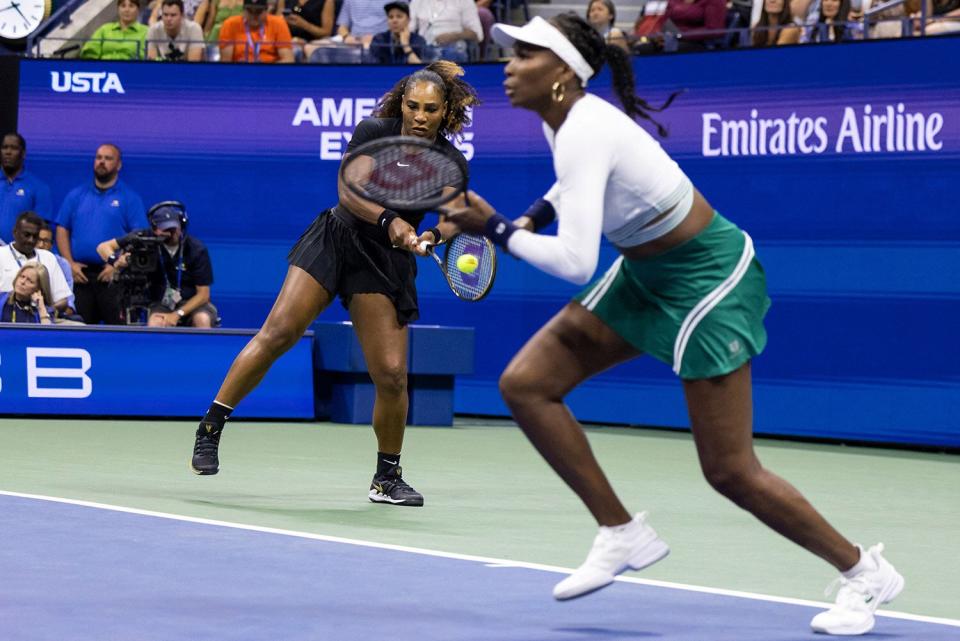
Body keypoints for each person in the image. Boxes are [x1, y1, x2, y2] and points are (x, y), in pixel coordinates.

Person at [445, 14, 903, 636]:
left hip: (709, 280)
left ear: (561, 73)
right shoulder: (570, 120)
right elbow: (575, 183)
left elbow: (577, 263)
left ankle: (862, 571)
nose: (508, 65)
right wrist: (531, 216)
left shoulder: (584, 128)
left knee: (730, 471)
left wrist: (496, 227)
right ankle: (620, 531)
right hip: (648, 273)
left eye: (526, 54)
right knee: (526, 384)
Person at [189, 61, 481, 509]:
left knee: (392, 375)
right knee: (279, 333)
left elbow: (454, 215)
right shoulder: (373, 132)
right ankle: (211, 426)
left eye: (431, 109)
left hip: (384, 262)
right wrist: (391, 221)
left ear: (446, 112)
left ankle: (387, 478)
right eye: (414, 106)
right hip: (337, 238)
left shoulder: (449, 162)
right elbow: (350, 190)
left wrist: (431, 236)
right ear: (402, 102)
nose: (420, 116)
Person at [56, 143, 145, 325]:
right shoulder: (76, 195)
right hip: (81, 277)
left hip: (114, 277)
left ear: (119, 165)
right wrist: (69, 263)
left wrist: (117, 265)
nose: (102, 162)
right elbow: (62, 228)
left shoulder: (129, 198)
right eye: (98, 157)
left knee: (117, 334)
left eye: (108, 158)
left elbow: (139, 236)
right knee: (79, 329)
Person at [96, 201, 217, 328]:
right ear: (155, 229)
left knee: (202, 319)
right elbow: (103, 247)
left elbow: (203, 295)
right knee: (155, 322)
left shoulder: (196, 249)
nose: (171, 234)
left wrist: (177, 314)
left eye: (173, 229)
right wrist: (115, 260)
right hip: (163, 303)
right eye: (165, 229)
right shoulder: (143, 238)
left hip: (193, 303)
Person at [0, 211, 74, 315]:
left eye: (35, 236)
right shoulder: (1, 255)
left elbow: (63, 300)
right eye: (27, 235)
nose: (31, 240)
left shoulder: (49, 258)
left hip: (43, 320)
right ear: (15, 232)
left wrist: (43, 309)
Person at [1, 133, 52, 244]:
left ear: (23, 153)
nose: (8, 152)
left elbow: (42, 228)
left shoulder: (38, 187)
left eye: (14, 148)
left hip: (20, 255)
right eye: (4, 147)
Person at [219, 0, 295, 62]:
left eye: (258, 11)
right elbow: (226, 62)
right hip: (240, 71)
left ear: (266, 11)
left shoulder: (278, 23)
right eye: (250, 11)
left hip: (270, 73)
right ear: (243, 10)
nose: (254, 15)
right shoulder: (230, 24)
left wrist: (265, 70)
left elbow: (288, 59)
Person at [409, 0, 483, 62]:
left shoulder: (465, 1)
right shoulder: (417, 2)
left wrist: (453, 36)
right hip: (424, 48)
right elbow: (408, 29)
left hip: (454, 49)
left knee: (451, 53)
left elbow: (477, 34)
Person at [81, 0, 150, 60]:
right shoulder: (105, 29)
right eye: (123, 6)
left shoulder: (147, 31)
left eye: (131, 6)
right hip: (103, 69)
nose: (127, 10)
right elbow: (90, 52)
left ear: (138, 10)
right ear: (118, 9)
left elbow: (150, 57)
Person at [36, 220, 77, 315]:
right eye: (38, 240)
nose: (41, 245)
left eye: (46, 241)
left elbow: (68, 303)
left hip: (54, 314)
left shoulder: (62, 264)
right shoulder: (23, 259)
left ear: (52, 244)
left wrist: (49, 311)